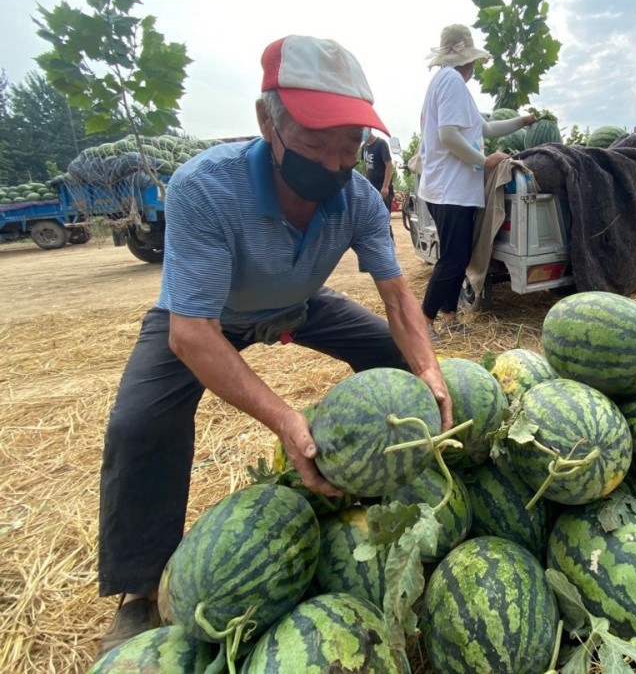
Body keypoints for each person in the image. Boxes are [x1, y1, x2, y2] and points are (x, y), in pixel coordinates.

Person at [96, 35, 452, 656]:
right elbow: (192, 333)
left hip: (298, 305)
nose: (337, 162)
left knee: (400, 358)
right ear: (268, 121)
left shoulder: (360, 199)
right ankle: (136, 592)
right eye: (318, 141)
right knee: (139, 423)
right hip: (209, 315)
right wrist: (288, 419)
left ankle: (372, 479)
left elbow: (398, 299)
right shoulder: (205, 187)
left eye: (352, 144)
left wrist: (428, 368)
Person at [418, 24, 536, 341]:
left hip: (445, 187)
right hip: (451, 189)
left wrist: (522, 121)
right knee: (454, 258)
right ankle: (424, 322)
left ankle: (448, 316)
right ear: (466, 61)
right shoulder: (452, 82)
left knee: (455, 255)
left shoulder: (443, 82)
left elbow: (484, 129)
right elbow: (448, 136)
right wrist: (484, 162)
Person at [361, 127, 395, 240]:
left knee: (384, 220)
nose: (362, 132)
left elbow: (389, 165)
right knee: (372, 222)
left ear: (370, 129)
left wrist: (385, 187)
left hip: (382, 191)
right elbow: (366, 168)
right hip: (371, 190)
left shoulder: (381, 144)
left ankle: (390, 245)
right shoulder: (364, 147)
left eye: (363, 129)